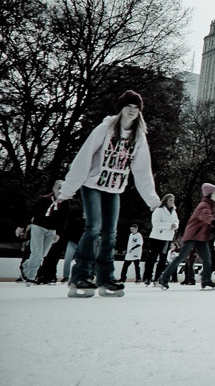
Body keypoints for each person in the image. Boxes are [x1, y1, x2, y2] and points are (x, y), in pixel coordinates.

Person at [58, 90, 161, 298]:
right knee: (93, 227)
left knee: (111, 233)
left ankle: (105, 277)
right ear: (121, 108)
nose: (132, 111)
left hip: (114, 188)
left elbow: (142, 170)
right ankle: (80, 275)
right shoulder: (104, 129)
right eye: (129, 106)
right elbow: (84, 158)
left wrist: (153, 200)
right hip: (92, 184)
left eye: (136, 108)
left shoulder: (139, 137)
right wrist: (68, 190)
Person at [156, 183, 215, 290]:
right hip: (193, 235)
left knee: (207, 258)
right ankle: (163, 278)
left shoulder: (209, 204)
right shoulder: (204, 205)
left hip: (201, 237)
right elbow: (205, 215)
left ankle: (206, 280)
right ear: (210, 194)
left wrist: (213, 227)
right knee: (182, 256)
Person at [16, 180, 68, 285]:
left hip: (51, 230)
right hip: (38, 227)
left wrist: (58, 233)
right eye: (59, 188)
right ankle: (31, 277)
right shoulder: (44, 200)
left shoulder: (65, 203)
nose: (60, 191)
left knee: (43, 254)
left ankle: (26, 265)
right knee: (37, 252)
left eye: (63, 189)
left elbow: (63, 220)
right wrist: (21, 226)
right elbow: (31, 212)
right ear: (54, 189)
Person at [143, 193, 179, 286]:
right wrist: (169, 225)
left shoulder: (174, 211)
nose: (172, 202)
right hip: (156, 237)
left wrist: (175, 225)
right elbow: (156, 223)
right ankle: (147, 277)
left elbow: (176, 221)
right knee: (152, 258)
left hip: (167, 238)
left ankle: (158, 278)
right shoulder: (159, 210)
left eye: (173, 200)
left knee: (163, 259)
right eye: (170, 200)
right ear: (166, 201)